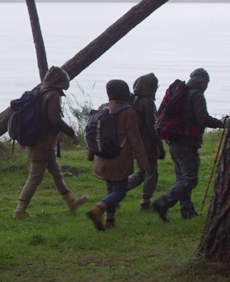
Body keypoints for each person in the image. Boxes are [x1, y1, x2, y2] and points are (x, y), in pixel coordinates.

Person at [152, 68, 230, 221]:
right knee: (190, 179)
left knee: (182, 178)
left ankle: (187, 210)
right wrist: (223, 123)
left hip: (174, 141)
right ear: (203, 82)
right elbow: (203, 118)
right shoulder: (197, 95)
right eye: (206, 83)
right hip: (186, 143)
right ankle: (163, 202)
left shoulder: (181, 92)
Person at [13, 66, 89, 219]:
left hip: (39, 141)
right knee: (35, 177)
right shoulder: (53, 94)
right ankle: (20, 210)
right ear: (60, 81)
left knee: (56, 172)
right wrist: (71, 132)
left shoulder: (41, 91)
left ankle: (71, 201)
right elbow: (54, 119)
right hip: (43, 143)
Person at [86, 79, 150, 231]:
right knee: (120, 191)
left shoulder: (102, 107)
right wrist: (143, 163)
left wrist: (91, 156)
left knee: (111, 188)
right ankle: (98, 209)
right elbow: (135, 139)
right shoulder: (128, 112)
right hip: (119, 158)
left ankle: (110, 220)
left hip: (101, 156)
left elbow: (92, 134)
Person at [127, 73, 166, 210]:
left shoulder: (133, 100)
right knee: (151, 172)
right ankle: (145, 201)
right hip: (147, 143)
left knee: (142, 172)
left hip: (136, 142)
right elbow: (151, 126)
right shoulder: (147, 102)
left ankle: (117, 191)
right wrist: (159, 145)